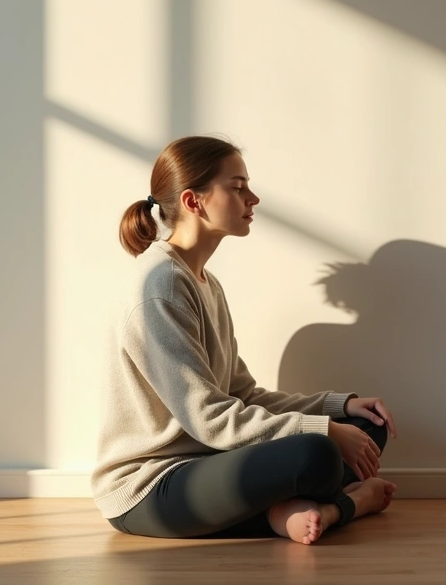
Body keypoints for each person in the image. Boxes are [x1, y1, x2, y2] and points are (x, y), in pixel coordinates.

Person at [92, 135, 398, 543]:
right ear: (193, 201)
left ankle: (288, 510)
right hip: (152, 486)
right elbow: (210, 418)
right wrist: (323, 430)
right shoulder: (159, 287)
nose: (252, 199)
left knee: (364, 425)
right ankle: (347, 504)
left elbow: (242, 394)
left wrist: (335, 407)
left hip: (210, 461)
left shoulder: (205, 284)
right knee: (316, 452)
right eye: (237, 188)